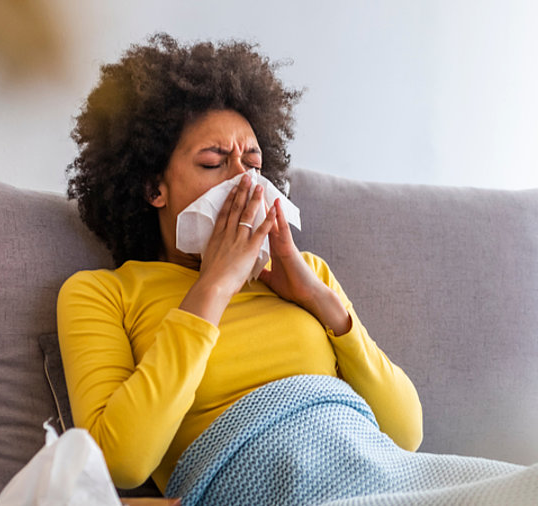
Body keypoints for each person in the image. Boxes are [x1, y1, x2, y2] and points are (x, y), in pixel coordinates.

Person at [57, 33, 423, 494]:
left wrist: (318, 298)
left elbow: (406, 434)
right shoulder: (102, 294)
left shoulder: (304, 273)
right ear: (154, 189)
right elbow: (121, 462)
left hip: (375, 476)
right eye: (214, 162)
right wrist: (212, 287)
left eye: (253, 162)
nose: (244, 182)